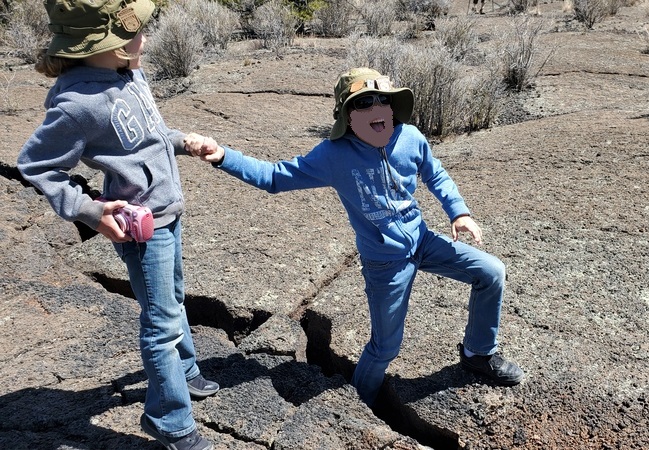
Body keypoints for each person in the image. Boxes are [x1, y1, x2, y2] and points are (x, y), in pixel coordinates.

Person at [185, 67, 524, 407]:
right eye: (363, 103)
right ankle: (361, 406)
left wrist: (459, 211)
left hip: (422, 241)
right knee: (385, 347)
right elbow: (274, 177)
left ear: (393, 107)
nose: (376, 108)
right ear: (347, 115)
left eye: (383, 100)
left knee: (491, 272)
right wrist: (224, 157)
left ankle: (478, 353)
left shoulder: (410, 137)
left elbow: (435, 174)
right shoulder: (334, 155)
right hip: (384, 261)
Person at [16, 0, 218, 448]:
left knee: (173, 300)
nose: (144, 38)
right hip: (141, 227)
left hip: (169, 212)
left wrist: (184, 141)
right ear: (102, 44)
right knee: (160, 322)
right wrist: (91, 212)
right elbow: (35, 165)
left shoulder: (130, 74)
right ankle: (170, 421)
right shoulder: (78, 104)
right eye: (134, 33)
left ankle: (185, 372)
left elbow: (149, 135)